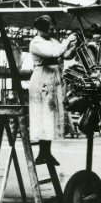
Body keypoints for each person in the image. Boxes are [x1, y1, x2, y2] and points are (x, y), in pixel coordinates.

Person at [29, 15, 77, 166]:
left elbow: (65, 55)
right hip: (42, 80)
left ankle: (46, 154)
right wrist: (67, 41)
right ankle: (42, 154)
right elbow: (53, 54)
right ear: (42, 28)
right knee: (43, 117)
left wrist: (74, 46)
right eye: (50, 27)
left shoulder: (53, 41)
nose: (53, 29)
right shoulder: (36, 42)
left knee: (50, 119)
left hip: (52, 80)